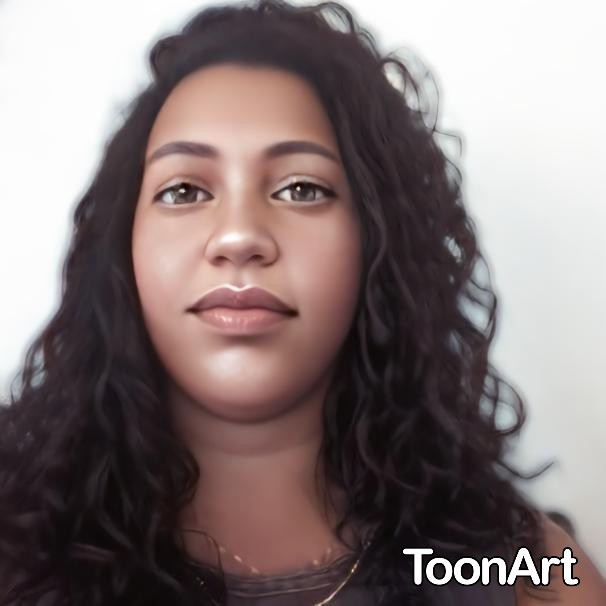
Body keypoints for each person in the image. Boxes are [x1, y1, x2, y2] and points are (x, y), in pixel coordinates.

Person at [0, 1, 604, 604]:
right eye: (184, 190)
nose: (239, 236)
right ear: (121, 244)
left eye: (301, 189)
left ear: (377, 240)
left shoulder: (531, 577)